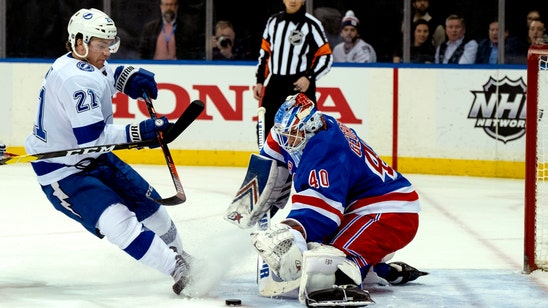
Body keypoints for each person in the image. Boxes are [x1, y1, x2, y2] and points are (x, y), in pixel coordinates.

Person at [23, 8, 192, 296]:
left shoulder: (81, 61)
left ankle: (183, 257)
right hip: (64, 172)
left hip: (96, 157)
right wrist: (139, 132)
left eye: (110, 44)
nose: (108, 52)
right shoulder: (74, 78)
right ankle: (176, 268)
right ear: (80, 42)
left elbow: (104, 73)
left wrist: (127, 77)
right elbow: (90, 137)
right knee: (118, 222)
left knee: (151, 208)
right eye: (103, 46)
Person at [227, 93, 427, 306]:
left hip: (390, 213)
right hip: (353, 208)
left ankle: (346, 279)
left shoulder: (327, 148)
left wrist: (290, 232)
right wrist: (247, 209)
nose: (288, 140)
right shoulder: (287, 133)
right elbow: (268, 170)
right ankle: (381, 270)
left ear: (312, 126)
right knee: (312, 251)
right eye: (284, 134)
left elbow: (320, 215)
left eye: (293, 134)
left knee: (325, 264)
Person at [253, 0, 333, 144]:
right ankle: (269, 165)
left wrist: (309, 77)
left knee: (306, 129)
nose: (293, 0)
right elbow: (264, 53)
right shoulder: (273, 22)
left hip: (300, 85)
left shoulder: (311, 24)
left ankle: (306, 165)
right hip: (275, 84)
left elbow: (326, 56)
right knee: (266, 127)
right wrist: (259, 80)